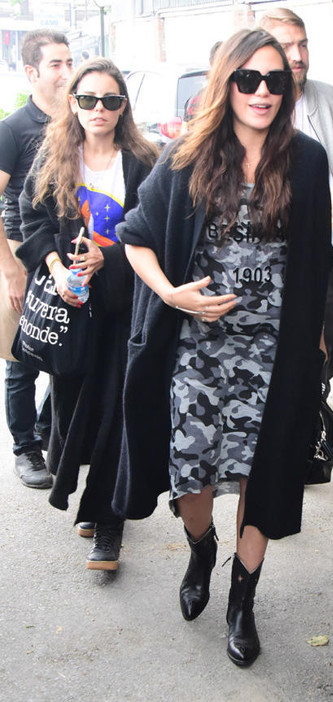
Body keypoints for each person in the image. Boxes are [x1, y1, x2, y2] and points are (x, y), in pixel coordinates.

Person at [112, 29, 333, 665]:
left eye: (275, 81)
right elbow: (135, 236)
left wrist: (318, 346)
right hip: (198, 348)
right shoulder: (187, 156)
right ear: (226, 83)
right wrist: (171, 294)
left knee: (262, 473)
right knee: (191, 468)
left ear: (287, 90)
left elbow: (317, 258)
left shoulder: (307, 159)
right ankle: (202, 546)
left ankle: (242, 599)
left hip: (276, 353)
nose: (262, 92)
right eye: (248, 79)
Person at [17, 58, 158, 570]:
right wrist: (56, 268)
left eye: (110, 100)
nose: (99, 109)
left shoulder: (143, 162)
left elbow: (156, 232)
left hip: (123, 309)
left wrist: (109, 258)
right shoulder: (55, 155)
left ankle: (108, 520)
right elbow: (30, 218)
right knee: (75, 409)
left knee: (117, 412)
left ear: (123, 107)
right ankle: (92, 499)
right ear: (74, 103)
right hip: (72, 310)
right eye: (88, 99)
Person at [258, 7, 333, 394]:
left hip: (320, 256)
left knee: (322, 357)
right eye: (287, 46)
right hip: (263, 259)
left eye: (303, 45)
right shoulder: (253, 103)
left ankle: (313, 419)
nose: (298, 56)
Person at [0, 29, 73, 489]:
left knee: (66, 349)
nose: (67, 72)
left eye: (70, 62)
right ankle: (25, 448)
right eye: (55, 64)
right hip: (22, 254)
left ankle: (49, 430)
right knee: (22, 356)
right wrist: (10, 268)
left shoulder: (78, 118)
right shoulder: (13, 129)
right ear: (31, 72)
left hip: (64, 255)